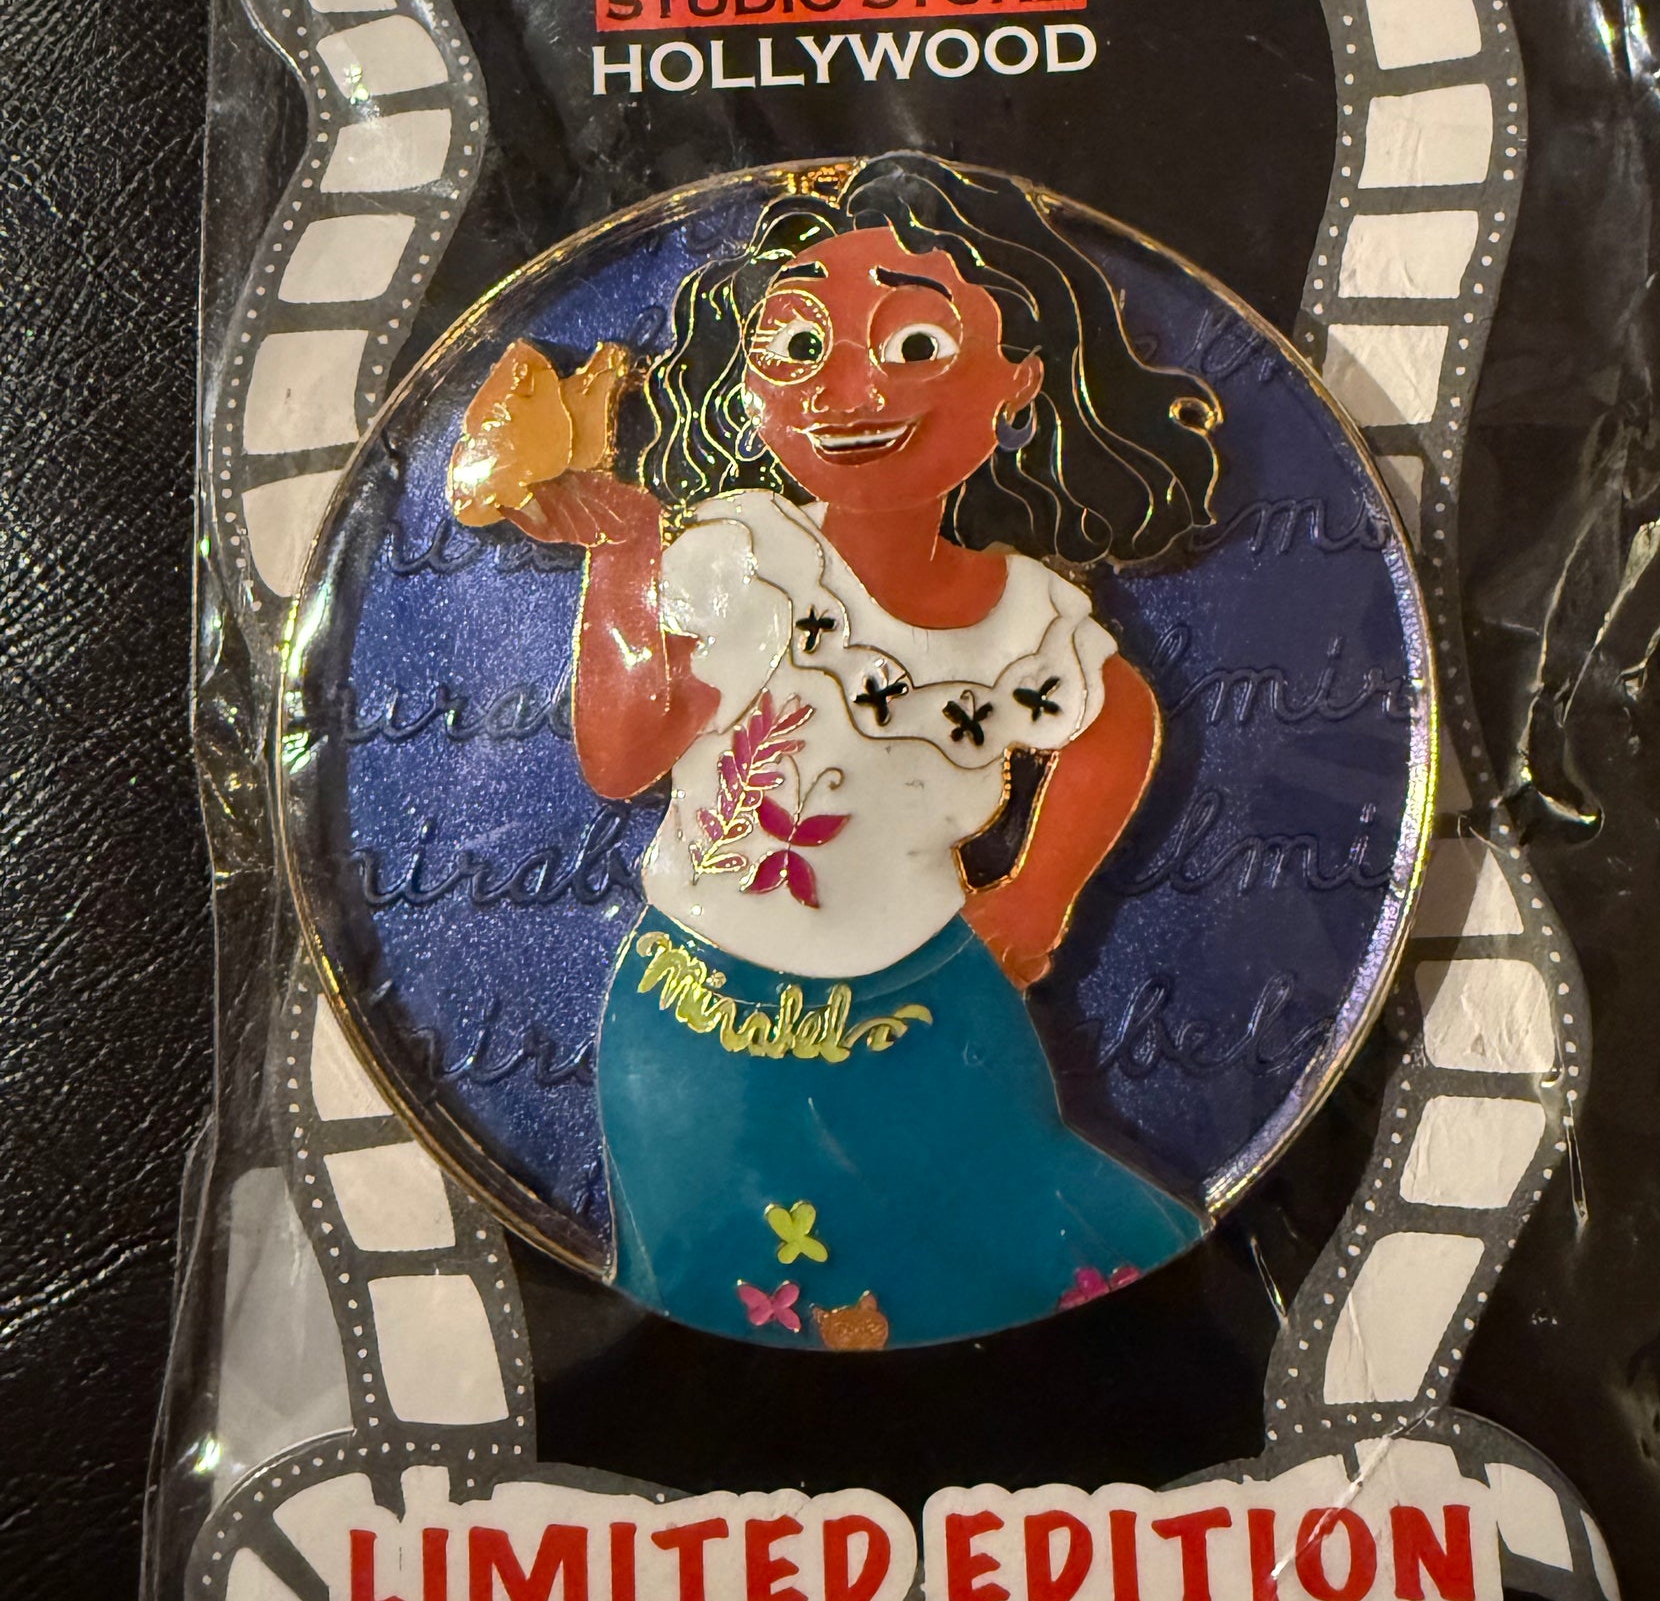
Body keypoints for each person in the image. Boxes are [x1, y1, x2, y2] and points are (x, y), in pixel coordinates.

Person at [448, 153, 1221, 1348]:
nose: (845, 392)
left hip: (930, 1010)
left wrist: (1039, 892)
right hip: (700, 1016)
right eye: (798, 345)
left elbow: (1115, 723)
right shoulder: (743, 552)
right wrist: (623, 555)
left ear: (1017, 381)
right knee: (732, 1280)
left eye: (914, 345)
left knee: (1012, 1237)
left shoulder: (1025, 617)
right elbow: (621, 759)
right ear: (752, 384)